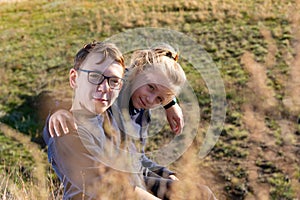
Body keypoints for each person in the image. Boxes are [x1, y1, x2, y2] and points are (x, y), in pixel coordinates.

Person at [47, 43, 187, 199]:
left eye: (159, 99)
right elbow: (112, 190)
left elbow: (136, 159)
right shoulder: (68, 129)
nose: (105, 88)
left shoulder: (113, 117)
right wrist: (58, 110)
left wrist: (170, 103)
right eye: (95, 77)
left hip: (133, 181)